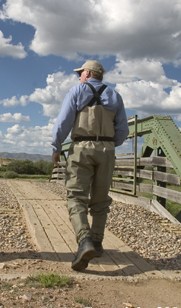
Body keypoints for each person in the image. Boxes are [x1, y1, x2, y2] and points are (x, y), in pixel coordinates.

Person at [51, 60, 129, 271]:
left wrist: (56, 146)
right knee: (101, 199)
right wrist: (109, 144)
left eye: (80, 73)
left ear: (87, 73)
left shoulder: (77, 91)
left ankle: (84, 240)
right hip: (107, 149)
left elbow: (64, 121)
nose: (78, 77)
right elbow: (123, 129)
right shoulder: (115, 95)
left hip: (81, 147)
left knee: (76, 196)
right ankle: (97, 242)